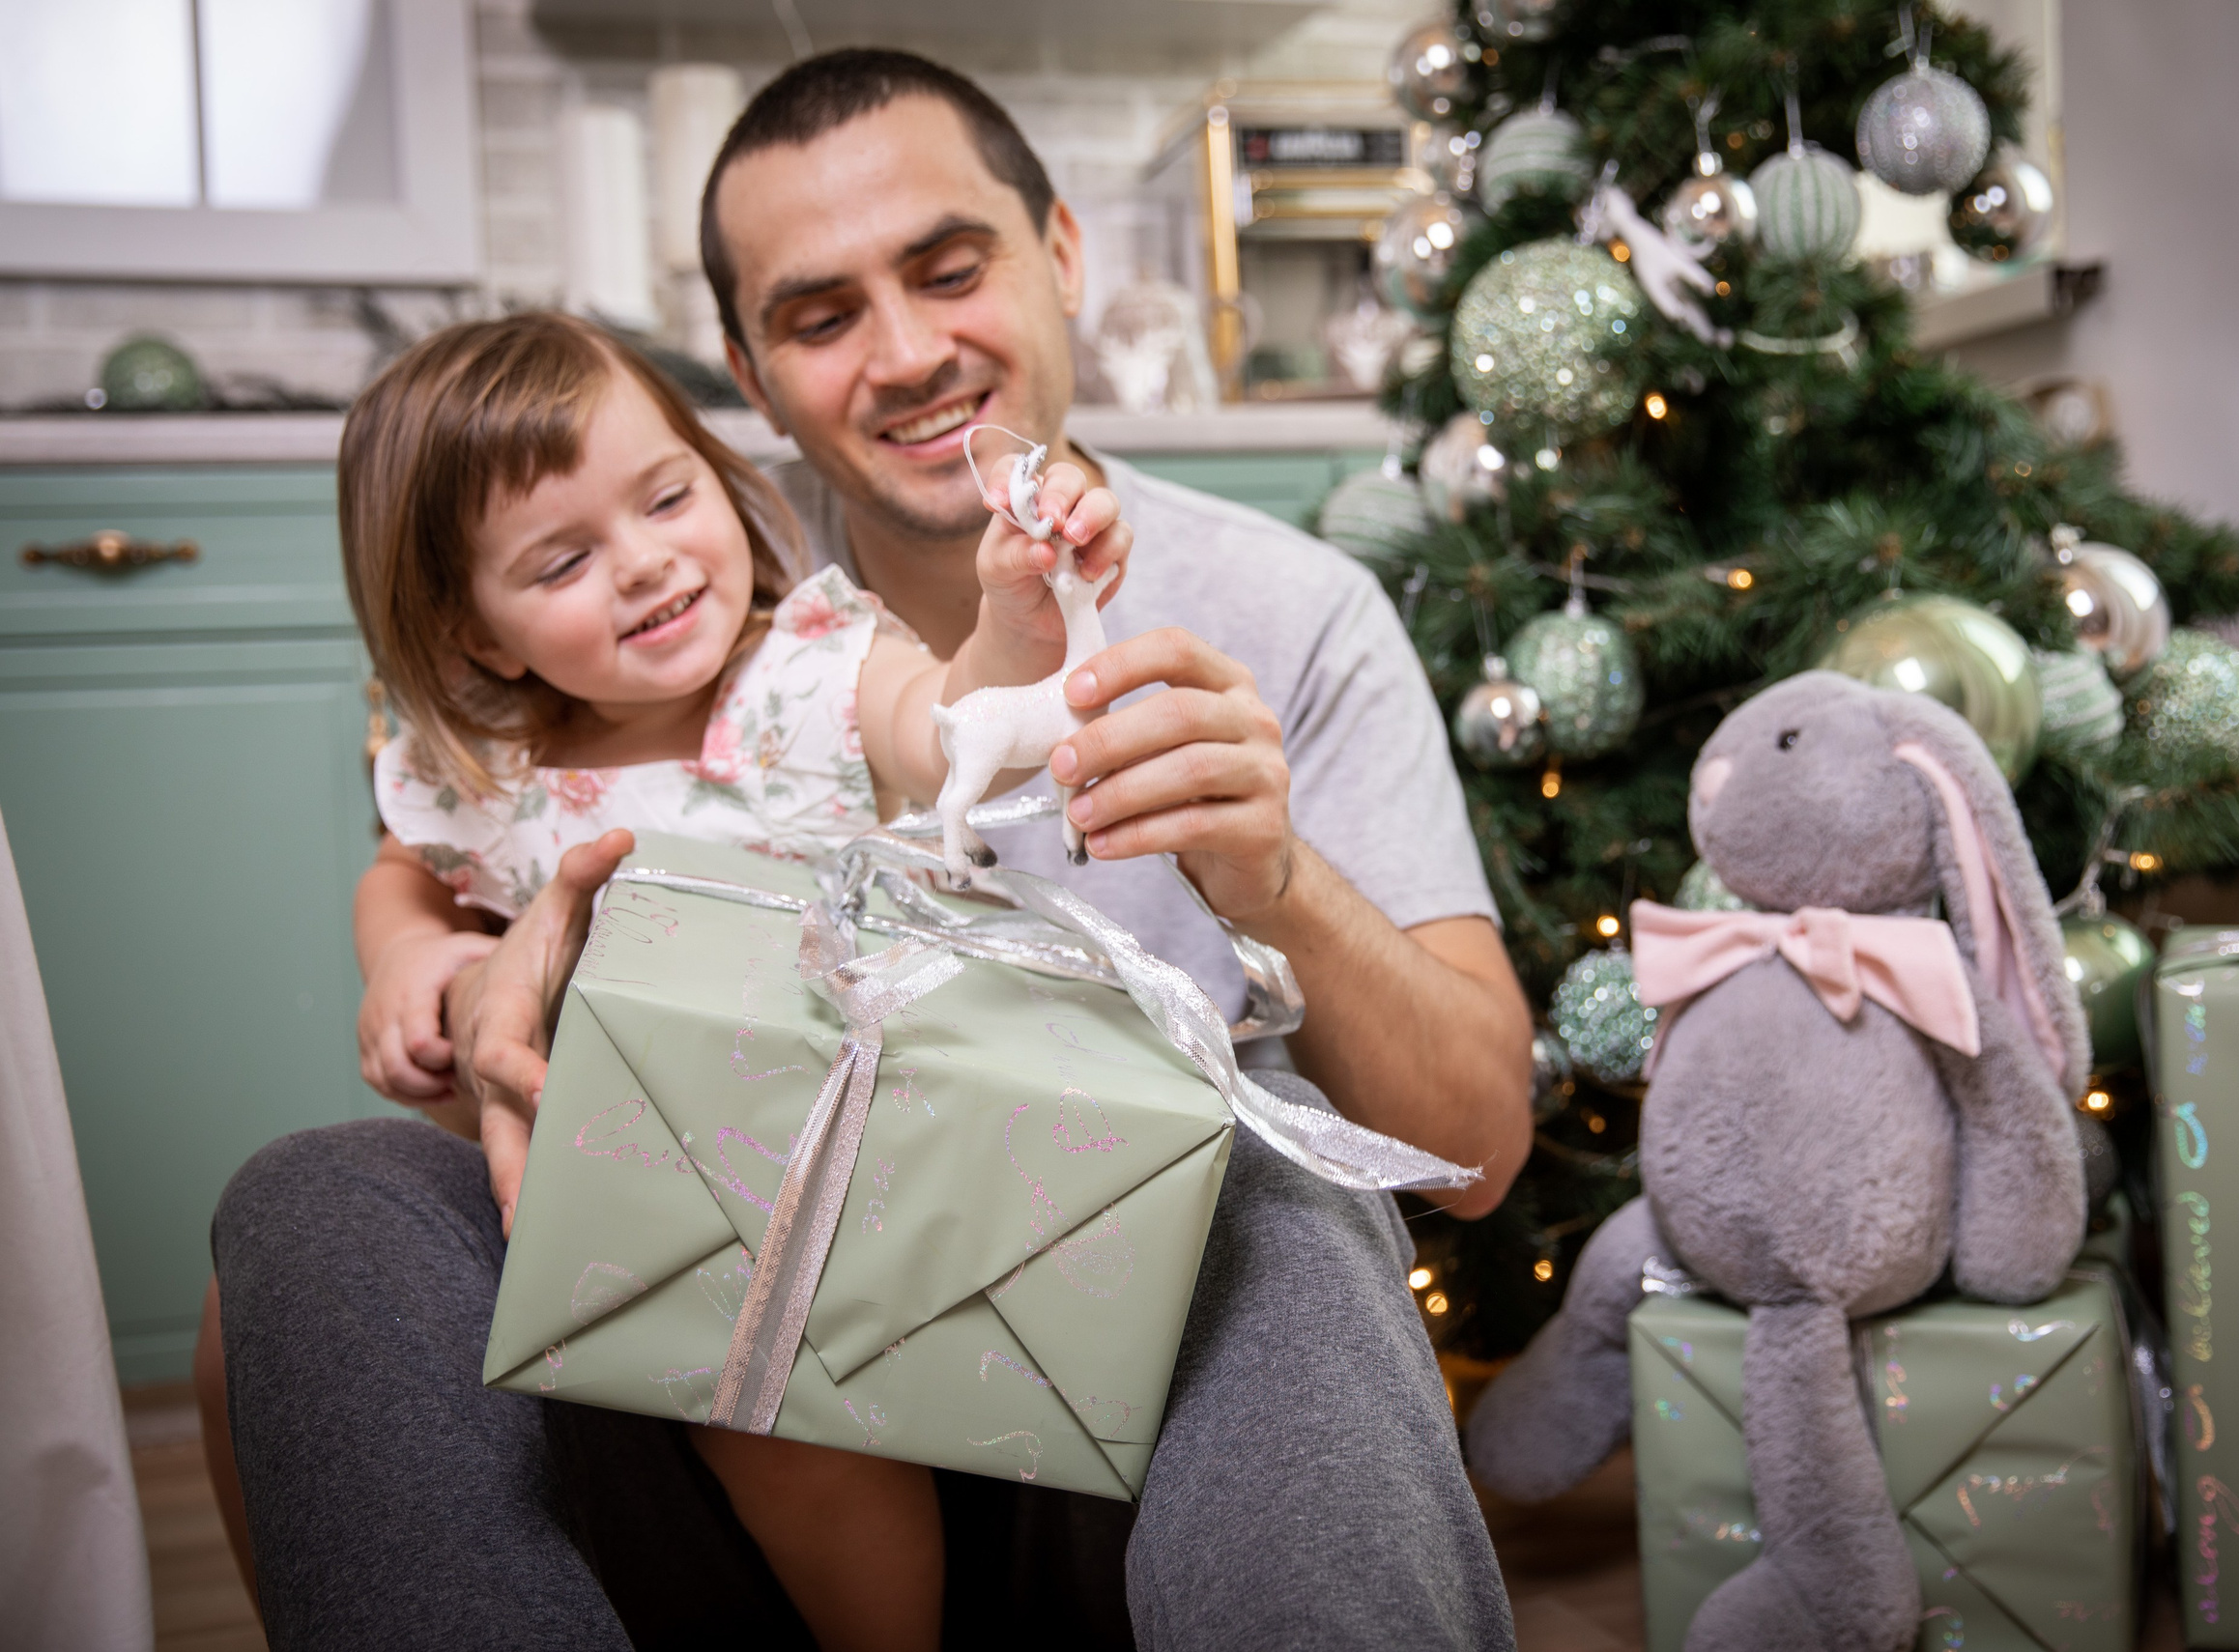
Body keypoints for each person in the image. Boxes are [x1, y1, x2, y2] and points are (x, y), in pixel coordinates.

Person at [207, 46, 1530, 1651]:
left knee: (1274, 1172)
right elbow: (437, 865)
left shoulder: (1269, 615)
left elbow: (1476, 1145)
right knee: (310, 1211)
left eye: (950, 267)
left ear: (1063, 254)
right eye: (822, 316)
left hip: (1100, 1413)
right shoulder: (650, 602)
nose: (907, 353)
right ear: (748, 380)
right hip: (721, 1384)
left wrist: (1275, 885)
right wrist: (467, 984)